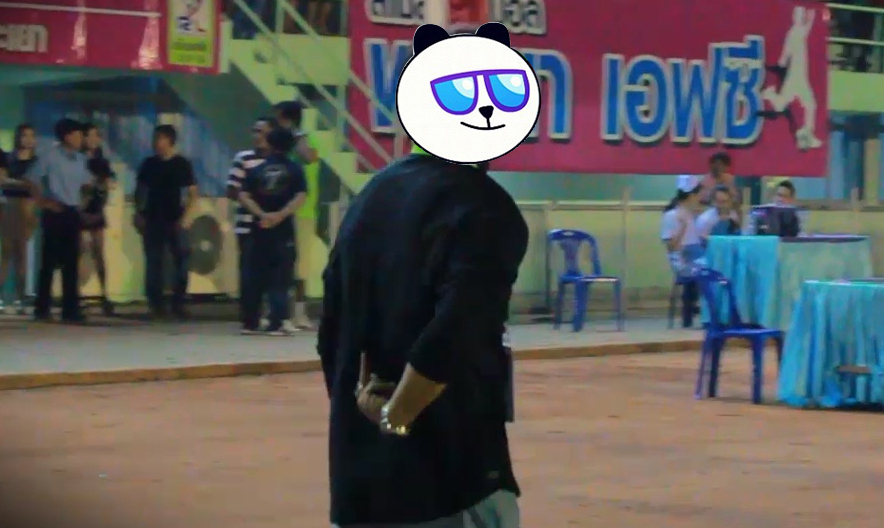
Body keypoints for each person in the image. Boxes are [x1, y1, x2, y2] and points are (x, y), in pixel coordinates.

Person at [317, 149, 528, 525]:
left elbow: (331, 329)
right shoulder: (484, 206)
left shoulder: (372, 196)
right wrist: (396, 417)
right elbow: (460, 326)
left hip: (357, 485)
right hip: (449, 483)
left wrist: (360, 415)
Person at [237, 128, 307, 336]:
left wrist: (262, 214)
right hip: (283, 231)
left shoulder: (257, 170)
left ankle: (250, 322)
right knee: (280, 276)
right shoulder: (295, 169)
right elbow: (300, 196)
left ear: (270, 143)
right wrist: (280, 215)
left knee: (254, 275)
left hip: (258, 229)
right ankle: (276, 322)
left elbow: (243, 195)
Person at [25, 118, 93, 323]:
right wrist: (43, 202)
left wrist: (85, 201)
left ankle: (70, 310)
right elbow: (31, 179)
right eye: (78, 134)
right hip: (55, 211)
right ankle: (42, 308)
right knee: (49, 262)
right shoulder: (50, 156)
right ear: (67, 136)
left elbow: (87, 183)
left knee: (71, 263)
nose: (81, 138)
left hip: (73, 212)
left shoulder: (81, 159)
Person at [134, 125, 198, 320]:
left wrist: (186, 216)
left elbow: (192, 192)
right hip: (152, 217)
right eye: (155, 139)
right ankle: (156, 304)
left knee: (181, 261)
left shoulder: (181, 163)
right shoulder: (149, 164)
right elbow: (140, 190)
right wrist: (138, 212)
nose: (156, 143)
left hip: (175, 218)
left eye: (160, 139)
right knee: (154, 262)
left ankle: (178, 302)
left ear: (170, 141)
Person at [274, 100, 319, 330]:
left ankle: (299, 313)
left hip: (303, 211)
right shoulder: (279, 145)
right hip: (280, 209)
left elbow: (310, 157)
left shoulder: (304, 140)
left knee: (300, 265)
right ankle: (279, 311)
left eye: (279, 118)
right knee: (280, 263)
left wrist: (296, 134)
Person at [226, 116, 275, 330]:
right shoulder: (244, 158)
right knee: (248, 273)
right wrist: (253, 200)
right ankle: (250, 317)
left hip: (273, 225)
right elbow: (232, 189)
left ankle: (272, 314)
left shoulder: (278, 161)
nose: (257, 136)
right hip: (247, 225)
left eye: (262, 131)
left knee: (270, 273)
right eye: (255, 131)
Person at [0, 124, 38, 315]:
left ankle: (21, 298)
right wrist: (24, 184)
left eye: (31, 135)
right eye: (24, 135)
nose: (28, 139)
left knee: (22, 254)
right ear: (18, 137)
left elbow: (38, 186)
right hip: (9, 206)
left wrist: (26, 186)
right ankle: (2, 298)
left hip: (29, 208)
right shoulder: (8, 158)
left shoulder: (37, 161)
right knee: (6, 252)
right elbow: (2, 180)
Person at [661, 175, 705, 328]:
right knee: (702, 271)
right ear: (691, 195)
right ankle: (692, 311)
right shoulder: (672, 216)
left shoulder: (691, 215)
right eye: (698, 194)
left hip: (695, 256)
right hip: (682, 259)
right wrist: (683, 228)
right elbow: (671, 246)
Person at [80, 156, 116, 315]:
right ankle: (78, 292)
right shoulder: (87, 184)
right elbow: (82, 203)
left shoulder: (103, 185)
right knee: (80, 253)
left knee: (98, 254)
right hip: (83, 217)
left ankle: (104, 292)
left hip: (96, 216)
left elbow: (102, 202)